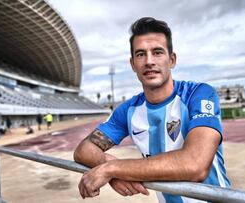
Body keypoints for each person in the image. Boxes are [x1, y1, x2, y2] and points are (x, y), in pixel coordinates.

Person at [74, 17, 230, 202]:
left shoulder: (198, 94)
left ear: (172, 60)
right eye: (140, 54)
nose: (149, 61)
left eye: (157, 52)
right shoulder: (128, 110)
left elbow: (196, 164)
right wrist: (114, 173)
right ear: (133, 64)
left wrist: (111, 169)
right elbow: (83, 150)